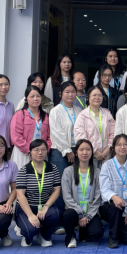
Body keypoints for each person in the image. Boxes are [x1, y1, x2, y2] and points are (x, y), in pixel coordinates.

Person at [49, 81, 82, 234]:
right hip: (59, 151)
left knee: (75, 185)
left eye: (73, 92)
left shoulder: (79, 110)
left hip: (77, 150)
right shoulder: (55, 111)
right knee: (60, 186)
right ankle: (58, 222)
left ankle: (73, 219)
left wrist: (77, 150)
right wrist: (67, 150)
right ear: (61, 94)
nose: (70, 94)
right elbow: (56, 133)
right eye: (67, 92)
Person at [15, 139, 61, 247]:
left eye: (43, 149)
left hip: (44, 206)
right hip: (27, 208)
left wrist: (45, 207)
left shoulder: (53, 168)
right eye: (36, 150)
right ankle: (27, 236)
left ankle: (44, 235)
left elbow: (57, 190)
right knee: (31, 230)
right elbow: (20, 195)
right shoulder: (24, 170)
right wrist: (30, 215)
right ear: (30, 153)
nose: (40, 152)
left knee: (55, 213)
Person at [61, 139, 104, 248]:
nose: (85, 152)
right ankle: (71, 237)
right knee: (67, 215)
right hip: (74, 211)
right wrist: (80, 214)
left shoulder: (97, 172)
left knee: (97, 233)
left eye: (88, 149)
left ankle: (84, 230)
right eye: (81, 150)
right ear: (76, 152)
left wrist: (87, 216)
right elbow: (66, 196)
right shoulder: (68, 171)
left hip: (90, 211)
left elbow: (98, 197)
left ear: (92, 152)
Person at [99, 134, 127, 248]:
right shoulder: (107, 165)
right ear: (113, 147)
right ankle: (113, 237)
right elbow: (104, 188)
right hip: (110, 208)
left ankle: (120, 227)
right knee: (115, 206)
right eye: (119, 144)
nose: (122, 147)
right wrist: (114, 197)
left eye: (125, 144)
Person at [10, 85, 52, 169]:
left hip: (40, 153)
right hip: (23, 153)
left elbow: (50, 137)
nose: (35, 99)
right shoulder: (19, 115)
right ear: (26, 98)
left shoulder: (46, 116)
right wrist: (30, 151)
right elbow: (16, 137)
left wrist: (44, 149)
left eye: (38, 96)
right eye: (32, 96)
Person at [74, 86, 115, 168]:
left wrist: (109, 148)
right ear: (88, 97)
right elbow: (80, 136)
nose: (97, 97)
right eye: (94, 95)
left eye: (100, 95)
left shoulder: (107, 113)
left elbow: (113, 132)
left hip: (106, 155)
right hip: (89, 156)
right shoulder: (82, 115)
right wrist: (94, 151)